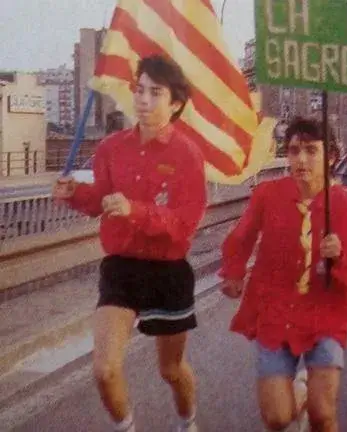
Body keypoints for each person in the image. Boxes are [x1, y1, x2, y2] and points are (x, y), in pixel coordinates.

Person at [52, 55, 206, 432]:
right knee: (104, 369)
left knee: (171, 370)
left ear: (175, 104)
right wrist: (74, 194)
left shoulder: (187, 154)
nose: (143, 99)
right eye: (139, 89)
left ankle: (188, 422)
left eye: (155, 92)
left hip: (168, 272)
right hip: (121, 268)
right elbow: (100, 200)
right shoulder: (111, 148)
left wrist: (134, 211)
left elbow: (185, 224)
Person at [220, 117, 347, 432]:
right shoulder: (268, 194)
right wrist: (234, 272)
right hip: (276, 310)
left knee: (322, 414)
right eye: (293, 151)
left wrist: (341, 257)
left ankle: (311, 396)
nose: (301, 159)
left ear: (331, 155)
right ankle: (299, 391)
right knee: (277, 418)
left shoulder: (345, 207)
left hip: (326, 314)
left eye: (310, 150)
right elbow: (243, 235)